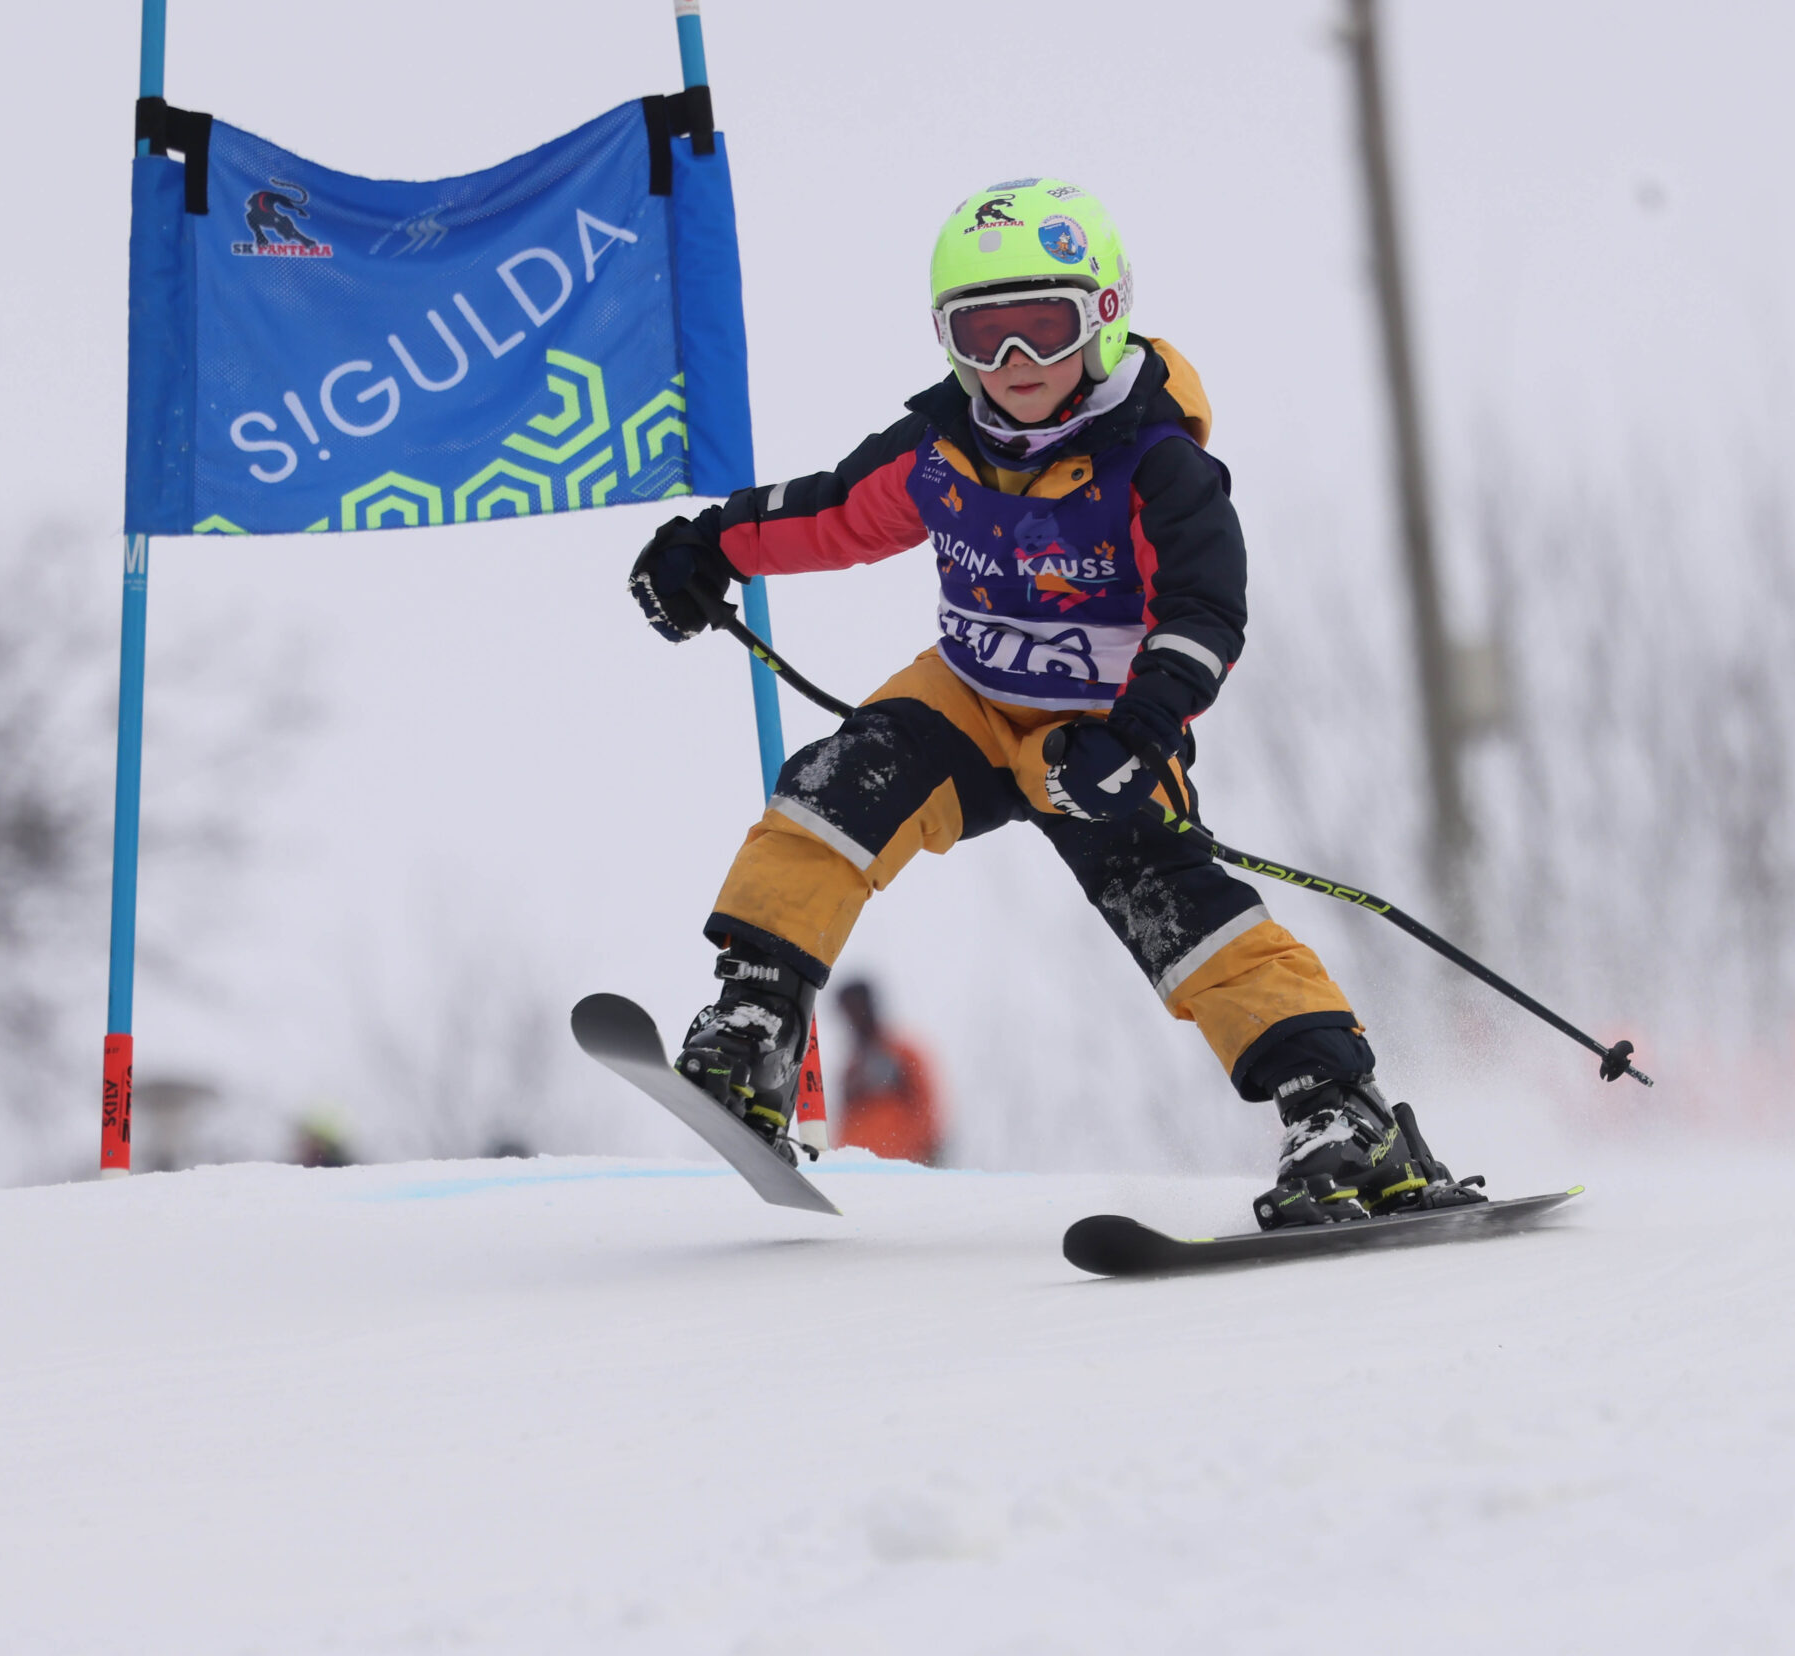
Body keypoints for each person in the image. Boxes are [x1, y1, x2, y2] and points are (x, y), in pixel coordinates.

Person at [627, 179, 1480, 1228]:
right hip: (968, 698)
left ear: (1106, 316)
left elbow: (1205, 615)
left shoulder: (1158, 464)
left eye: (1045, 327)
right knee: (828, 794)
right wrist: (709, 547)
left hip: (1100, 730)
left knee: (1174, 909)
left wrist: (1140, 733)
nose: (1014, 363)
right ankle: (757, 1020)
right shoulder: (941, 447)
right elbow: (835, 511)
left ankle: (1341, 1109)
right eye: (981, 335)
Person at [831, 981, 944, 1165]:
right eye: (847, 1012)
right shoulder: (851, 1069)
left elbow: (927, 1104)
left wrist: (927, 1152)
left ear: (870, 1007)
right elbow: (845, 1121)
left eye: (856, 1008)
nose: (852, 1019)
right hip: (858, 1169)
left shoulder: (902, 1054)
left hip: (901, 1165)